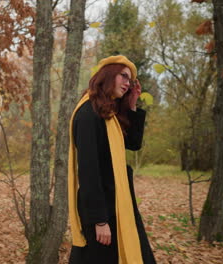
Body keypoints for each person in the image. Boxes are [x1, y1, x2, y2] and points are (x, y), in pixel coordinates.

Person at [68, 55, 156, 264]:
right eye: (123, 76)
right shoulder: (89, 114)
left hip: (118, 203)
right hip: (101, 209)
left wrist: (133, 105)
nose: (128, 83)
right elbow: (89, 171)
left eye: (130, 80)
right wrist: (100, 220)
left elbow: (133, 144)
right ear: (107, 76)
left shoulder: (109, 114)